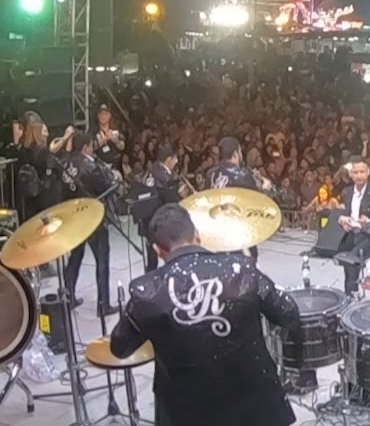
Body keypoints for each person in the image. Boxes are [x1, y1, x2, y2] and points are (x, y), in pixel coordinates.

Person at [110, 204, 301, 426]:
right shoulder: (241, 269)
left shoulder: (147, 292)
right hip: (256, 406)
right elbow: (289, 313)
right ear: (198, 236)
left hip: (187, 412)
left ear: (158, 250)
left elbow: (120, 348)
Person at [63, 131, 117, 316]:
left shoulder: (67, 164)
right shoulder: (91, 167)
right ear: (87, 146)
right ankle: (103, 305)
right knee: (102, 259)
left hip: (74, 217)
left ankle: (68, 297)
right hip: (93, 218)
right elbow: (107, 186)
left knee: (75, 256)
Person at [335, 157, 370, 295]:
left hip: (369, 235)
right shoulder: (347, 192)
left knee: (352, 263)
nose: (359, 175)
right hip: (351, 232)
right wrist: (342, 219)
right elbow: (342, 213)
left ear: (368, 172)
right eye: (355, 172)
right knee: (347, 267)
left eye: (362, 172)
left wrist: (369, 222)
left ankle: (351, 298)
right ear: (350, 174)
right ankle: (350, 295)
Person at [13, 111, 74, 219]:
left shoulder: (23, 151)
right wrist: (66, 140)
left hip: (32, 201)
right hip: (48, 198)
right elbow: (58, 166)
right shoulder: (42, 153)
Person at [133, 145, 182, 272]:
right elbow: (170, 199)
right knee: (169, 256)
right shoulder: (163, 175)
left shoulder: (150, 171)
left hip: (148, 222)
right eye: (175, 159)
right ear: (168, 160)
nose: (176, 161)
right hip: (160, 222)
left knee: (152, 260)